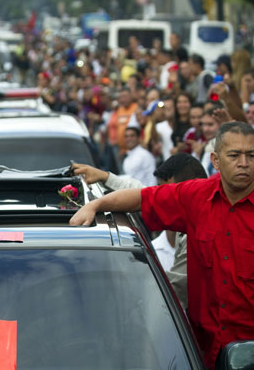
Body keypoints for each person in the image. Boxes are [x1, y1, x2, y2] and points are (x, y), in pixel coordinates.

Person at [70, 121, 254, 368]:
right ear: (216, 160)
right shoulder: (195, 196)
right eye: (234, 155)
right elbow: (141, 197)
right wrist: (95, 205)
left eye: (251, 155)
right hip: (200, 352)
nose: (244, 163)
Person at [72, 152, 208, 310]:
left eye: (166, 192)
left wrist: (128, 280)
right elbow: (142, 194)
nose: (162, 197)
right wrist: (105, 178)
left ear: (183, 192)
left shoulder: (199, 233)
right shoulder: (190, 207)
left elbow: (177, 287)